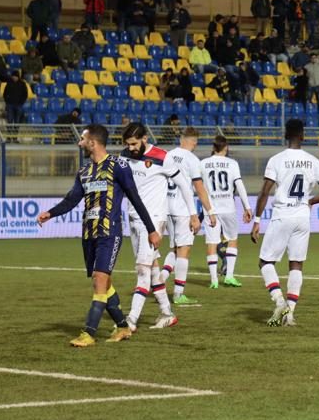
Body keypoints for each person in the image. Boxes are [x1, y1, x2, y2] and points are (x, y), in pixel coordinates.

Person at [37, 124, 159, 347]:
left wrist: (151, 229)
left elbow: (135, 198)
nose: (79, 143)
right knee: (105, 282)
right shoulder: (84, 172)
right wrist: (50, 213)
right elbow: (72, 199)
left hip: (109, 233)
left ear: (92, 143)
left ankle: (89, 332)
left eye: (82, 139)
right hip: (89, 234)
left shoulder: (118, 165)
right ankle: (123, 327)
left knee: (99, 280)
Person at [251, 119, 319, 326]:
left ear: (285, 136)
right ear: (303, 136)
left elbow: (265, 191)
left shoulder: (277, 160)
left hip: (283, 214)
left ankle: (279, 301)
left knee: (265, 261)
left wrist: (257, 220)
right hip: (302, 217)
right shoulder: (312, 160)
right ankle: (290, 315)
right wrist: (311, 201)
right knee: (296, 264)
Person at [120, 122, 198, 331]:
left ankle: (131, 320)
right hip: (133, 219)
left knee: (142, 270)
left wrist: (193, 214)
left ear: (145, 139)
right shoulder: (124, 155)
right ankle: (167, 313)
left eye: (134, 143)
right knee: (153, 269)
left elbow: (184, 185)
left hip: (154, 221)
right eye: (128, 144)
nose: (131, 148)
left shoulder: (163, 157)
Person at [160, 127, 217, 305]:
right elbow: (199, 188)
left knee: (175, 249)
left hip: (166, 208)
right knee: (184, 249)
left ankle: (159, 280)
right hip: (183, 209)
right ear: (194, 142)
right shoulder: (192, 160)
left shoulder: (167, 155)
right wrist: (210, 211)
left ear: (181, 139)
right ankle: (178, 294)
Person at [202, 135, 251, 289]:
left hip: (211, 209)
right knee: (232, 240)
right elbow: (240, 185)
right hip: (228, 207)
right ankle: (229, 276)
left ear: (213, 148)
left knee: (211, 242)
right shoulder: (232, 164)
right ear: (226, 148)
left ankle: (214, 280)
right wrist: (247, 207)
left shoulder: (202, 164)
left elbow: (197, 186)